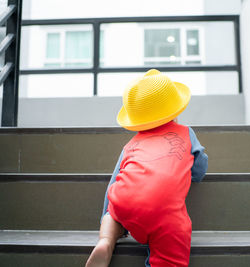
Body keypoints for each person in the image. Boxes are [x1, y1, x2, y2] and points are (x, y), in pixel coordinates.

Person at [86, 69, 208, 267]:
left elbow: (115, 182)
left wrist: (107, 214)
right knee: (170, 253)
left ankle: (106, 241)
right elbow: (200, 169)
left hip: (125, 201)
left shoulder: (131, 145)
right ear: (175, 111)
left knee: (114, 211)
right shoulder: (186, 133)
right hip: (164, 209)